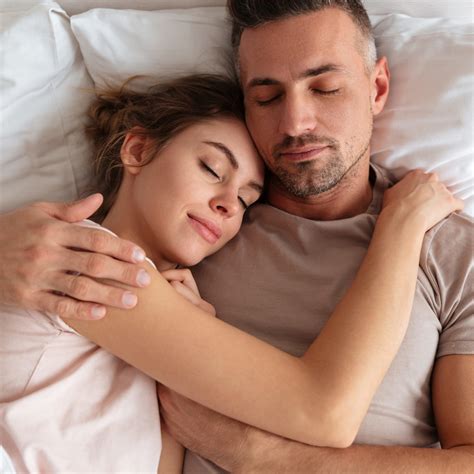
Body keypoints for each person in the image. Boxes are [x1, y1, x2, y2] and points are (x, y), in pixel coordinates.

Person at [0, 0, 472, 472]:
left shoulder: (450, 249)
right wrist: (400, 226)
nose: (295, 124)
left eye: (325, 88)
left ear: (377, 87)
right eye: (266, 98)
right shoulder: (150, 251)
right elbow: (321, 410)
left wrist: (261, 456)